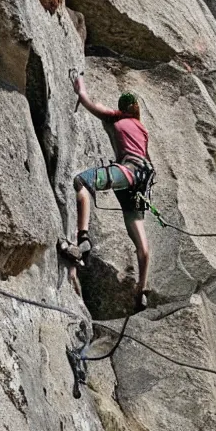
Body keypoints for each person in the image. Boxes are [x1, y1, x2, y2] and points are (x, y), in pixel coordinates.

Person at [71, 75, 153, 311]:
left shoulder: (117, 119)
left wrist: (79, 84)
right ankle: (141, 290)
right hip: (142, 181)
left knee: (82, 182)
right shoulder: (142, 130)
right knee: (142, 243)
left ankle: (83, 239)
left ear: (123, 109)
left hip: (128, 171)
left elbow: (87, 101)